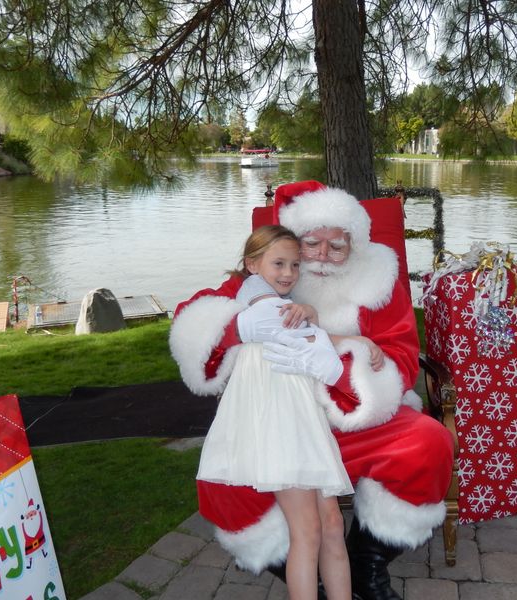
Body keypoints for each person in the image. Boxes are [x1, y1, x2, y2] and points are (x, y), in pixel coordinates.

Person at [171, 181, 454, 600]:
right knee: (223, 485)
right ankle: (304, 576)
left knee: (428, 442)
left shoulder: (379, 278)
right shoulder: (273, 270)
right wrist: (235, 329)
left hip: (356, 417)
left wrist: (339, 372)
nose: (321, 255)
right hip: (282, 420)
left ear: (354, 244)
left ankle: (367, 564)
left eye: (336, 246)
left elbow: (400, 356)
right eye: (312, 244)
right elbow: (192, 322)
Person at [197, 224, 361, 600]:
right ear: (252, 265)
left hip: (299, 418)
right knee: (308, 531)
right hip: (280, 422)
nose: (288, 273)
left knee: (332, 524)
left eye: (294, 265)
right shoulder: (259, 301)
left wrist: (310, 312)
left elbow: (302, 329)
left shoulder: (273, 296)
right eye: (279, 264)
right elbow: (299, 334)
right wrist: (341, 334)